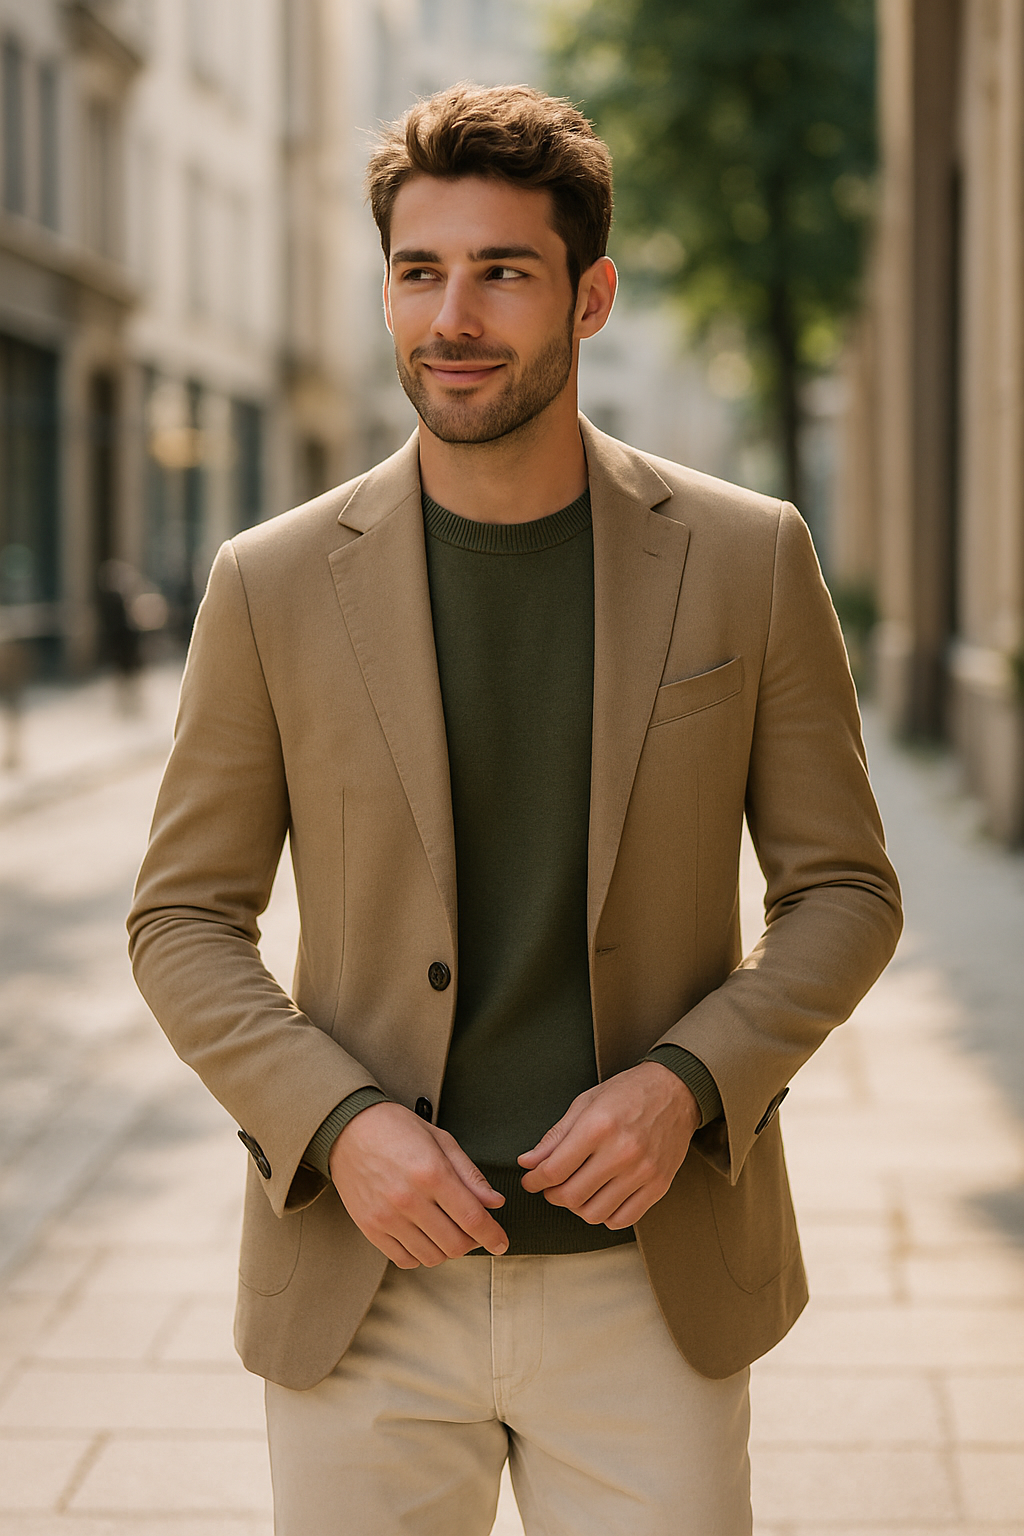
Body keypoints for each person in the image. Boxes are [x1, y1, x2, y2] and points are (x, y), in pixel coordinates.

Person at [129, 84, 902, 1536]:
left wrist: (686, 1084)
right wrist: (340, 1121)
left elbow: (847, 890)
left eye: (503, 271)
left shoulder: (746, 558)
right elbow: (182, 919)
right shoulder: (269, 582)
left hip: (650, 1288)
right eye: (420, 272)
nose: (453, 316)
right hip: (363, 1285)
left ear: (590, 296)